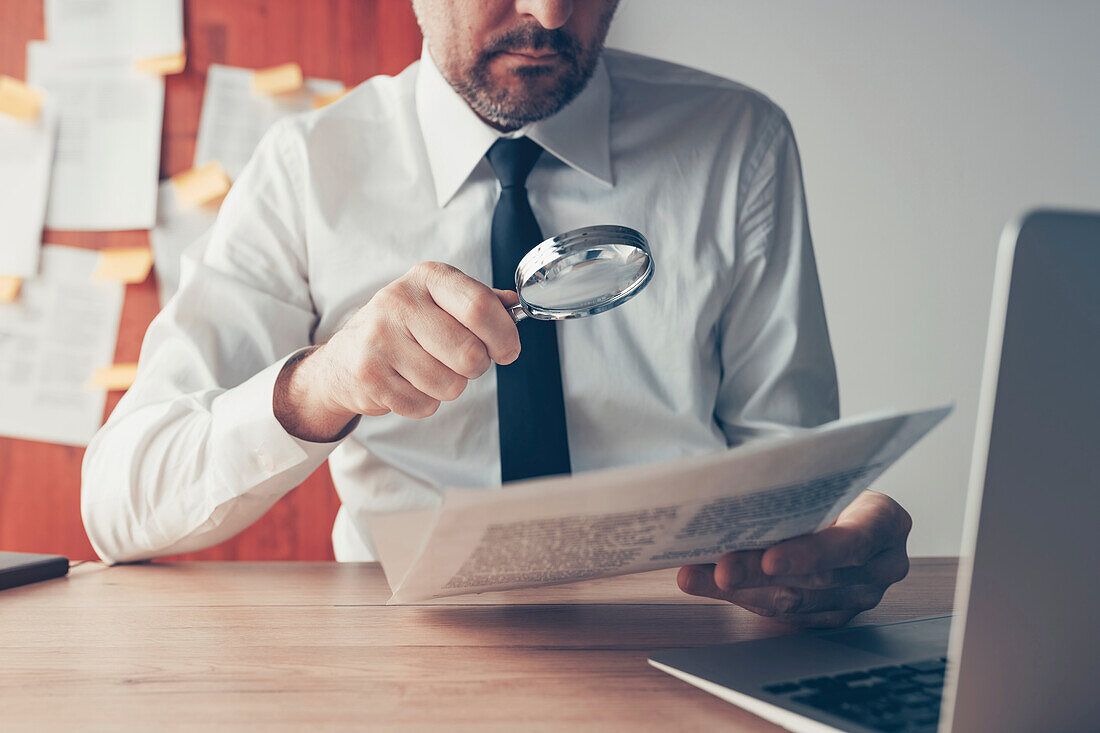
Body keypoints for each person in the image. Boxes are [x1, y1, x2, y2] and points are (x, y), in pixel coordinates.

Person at [82, 0, 912, 628]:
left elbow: (788, 469)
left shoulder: (740, 141)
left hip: (677, 641)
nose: (550, 16)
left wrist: (828, 547)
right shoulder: (306, 171)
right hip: (409, 654)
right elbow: (120, 504)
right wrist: (321, 384)